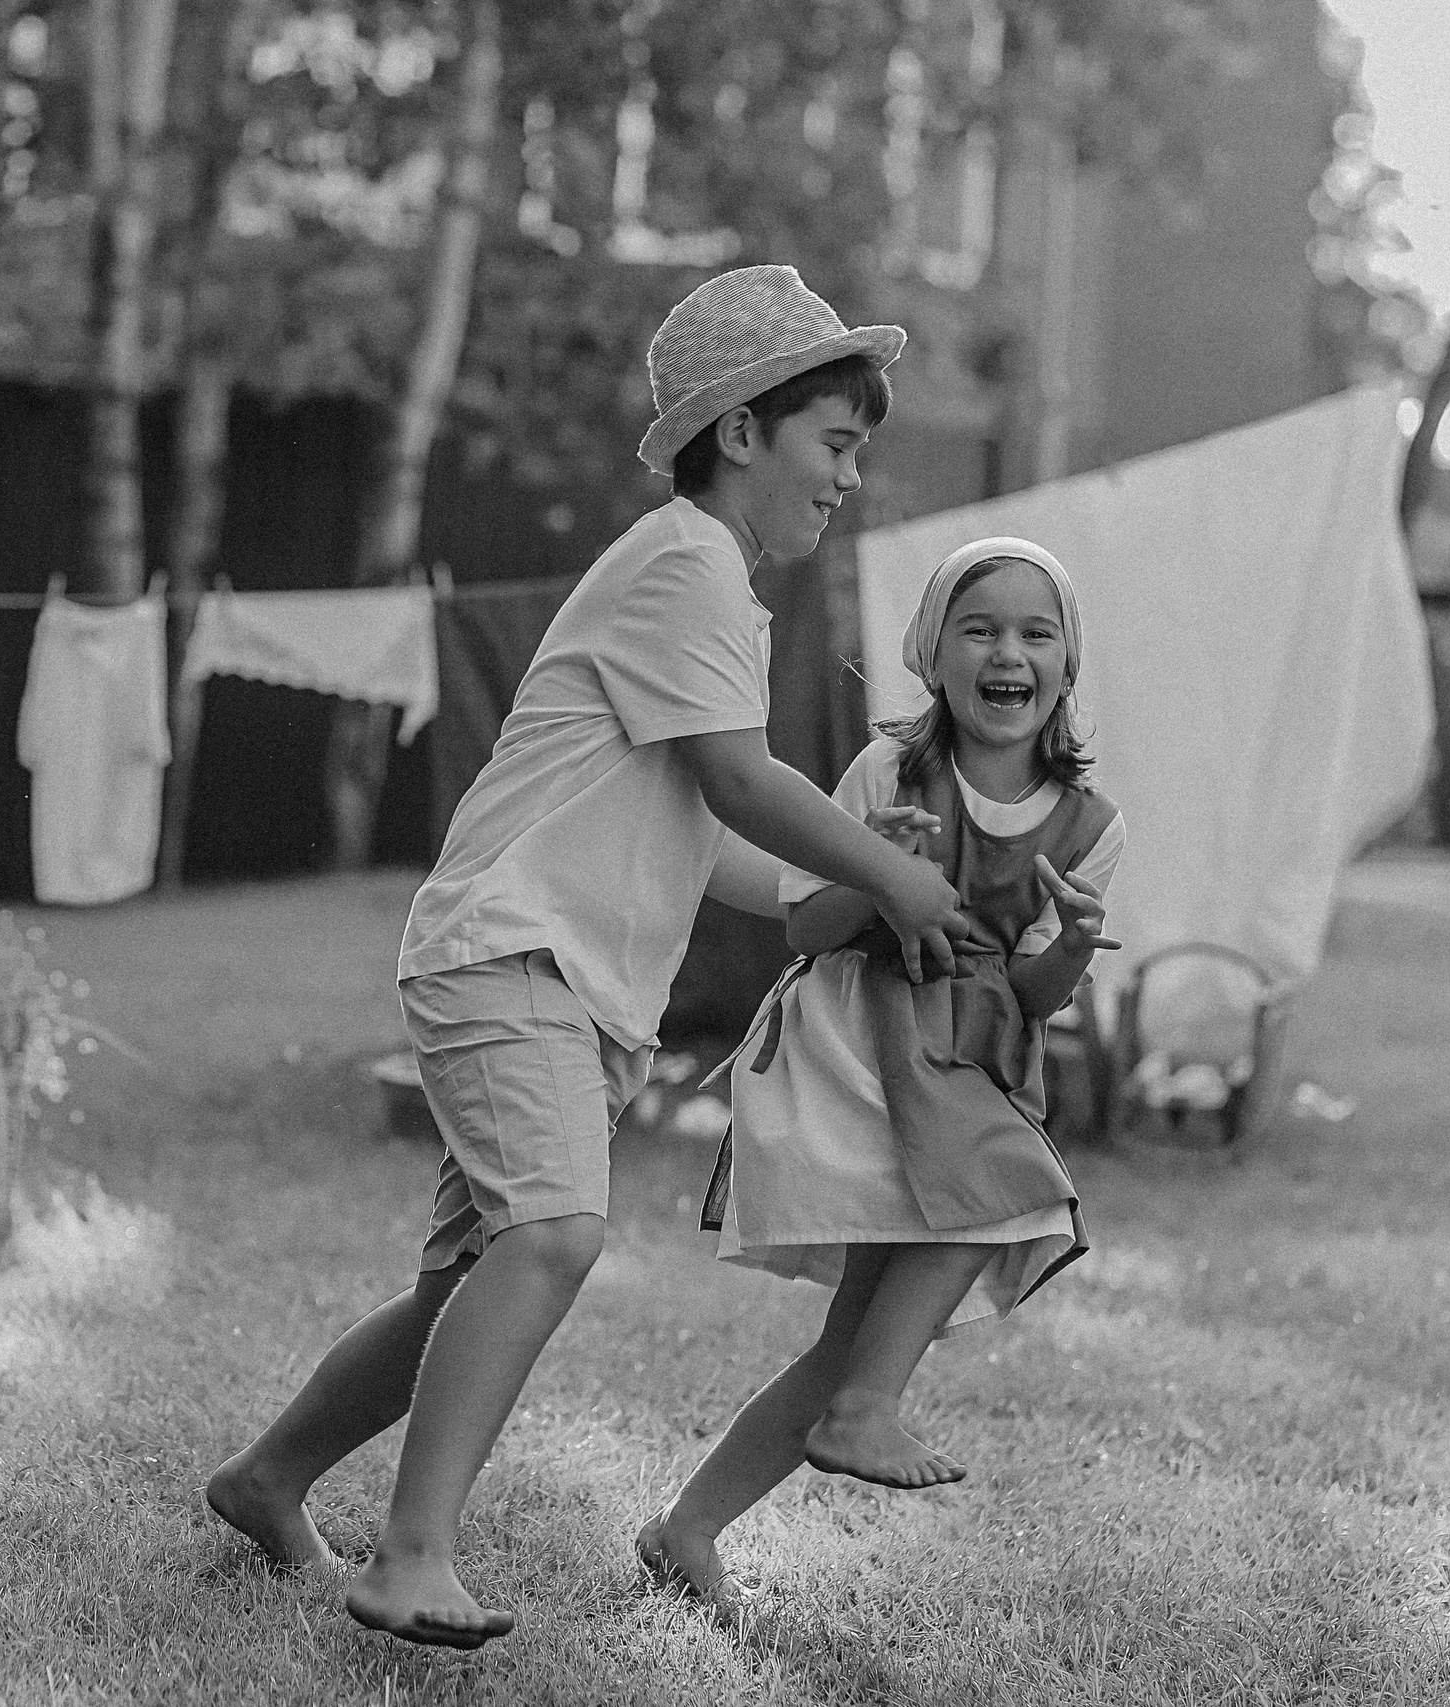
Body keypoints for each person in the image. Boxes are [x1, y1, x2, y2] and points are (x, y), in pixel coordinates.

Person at [204, 265, 975, 1649]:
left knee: (466, 1282)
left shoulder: (713, 589)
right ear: (742, 430)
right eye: (837, 442)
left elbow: (716, 838)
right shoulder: (683, 559)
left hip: (560, 980)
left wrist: (848, 889)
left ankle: (266, 1477)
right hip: (512, 956)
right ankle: (412, 1551)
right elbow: (742, 784)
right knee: (554, 1234)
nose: (851, 477)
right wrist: (892, 867)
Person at [635, 538, 1124, 1606]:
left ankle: (688, 1527)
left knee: (851, 1342)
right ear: (933, 656)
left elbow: (1035, 996)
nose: (1009, 651)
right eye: (979, 628)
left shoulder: (1090, 824)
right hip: (863, 1048)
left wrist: (1076, 947)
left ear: (1066, 665)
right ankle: (864, 1411)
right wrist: (879, 868)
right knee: (1012, 1193)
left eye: (1035, 633)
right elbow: (807, 925)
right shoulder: (886, 773)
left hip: (970, 1061)